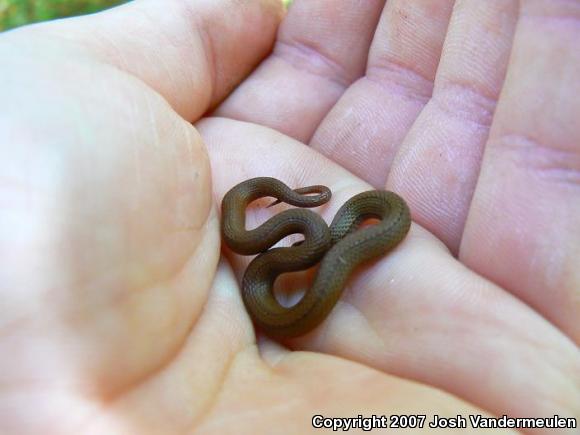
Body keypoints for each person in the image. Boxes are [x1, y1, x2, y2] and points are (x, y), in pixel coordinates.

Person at [0, 0, 578, 433]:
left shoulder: (330, 228)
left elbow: (335, 227)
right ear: (298, 201)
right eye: (306, 199)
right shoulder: (299, 231)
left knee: (366, 228)